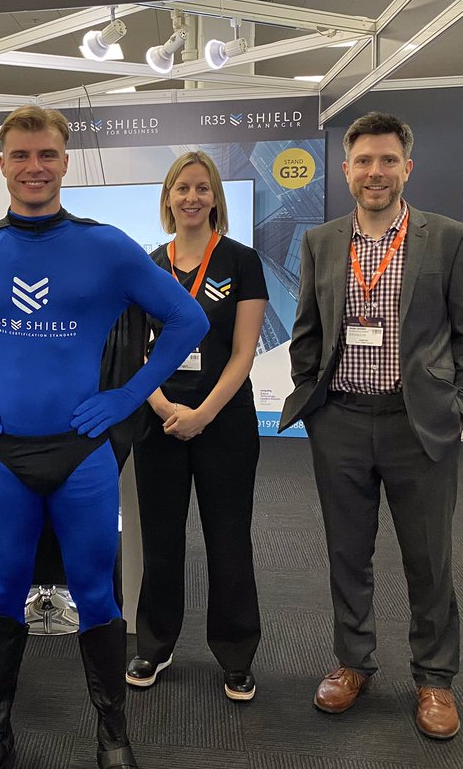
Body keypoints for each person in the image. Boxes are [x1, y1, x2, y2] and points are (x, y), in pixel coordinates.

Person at [0, 106, 208, 769]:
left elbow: (188, 320)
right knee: (2, 591)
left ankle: (112, 735)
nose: (33, 167)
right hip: (0, 456)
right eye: (20, 155)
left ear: (64, 163)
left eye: (46, 155)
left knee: (95, 593)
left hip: (82, 454)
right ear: (2, 165)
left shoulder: (106, 247)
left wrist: (126, 397)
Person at [279, 112, 463, 740]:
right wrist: (312, 398)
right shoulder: (321, 241)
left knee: (429, 557)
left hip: (417, 423)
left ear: (407, 168)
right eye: (364, 161)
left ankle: (434, 678)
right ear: (346, 170)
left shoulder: (449, 238)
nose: (376, 172)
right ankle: (353, 662)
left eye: (388, 160)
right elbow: (307, 330)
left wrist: (462, 405)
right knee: (347, 552)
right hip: (341, 421)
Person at [126, 151, 268, 702]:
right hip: (158, 420)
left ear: (215, 198)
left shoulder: (241, 261)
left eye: (202, 188)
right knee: (161, 538)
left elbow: (244, 352)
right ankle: (155, 644)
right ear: (167, 197)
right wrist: (164, 407)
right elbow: (138, 351)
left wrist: (203, 413)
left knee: (228, 538)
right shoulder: (148, 265)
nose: (191, 197)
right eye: (182, 188)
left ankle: (236, 653)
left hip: (224, 420)